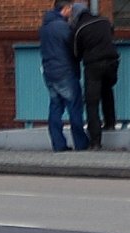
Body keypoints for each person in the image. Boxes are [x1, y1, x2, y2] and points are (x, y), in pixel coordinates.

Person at [39, 0, 89, 152]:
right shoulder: (63, 27)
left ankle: (58, 143)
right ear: (65, 8)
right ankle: (81, 143)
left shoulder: (45, 27)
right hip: (65, 72)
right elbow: (74, 47)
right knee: (74, 108)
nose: (71, 12)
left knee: (55, 108)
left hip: (49, 72)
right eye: (70, 9)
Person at [70, 3, 120, 150]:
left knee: (92, 103)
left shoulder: (79, 29)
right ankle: (110, 123)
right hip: (112, 62)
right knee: (107, 91)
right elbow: (112, 33)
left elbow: (75, 53)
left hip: (93, 66)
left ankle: (96, 141)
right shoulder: (104, 21)